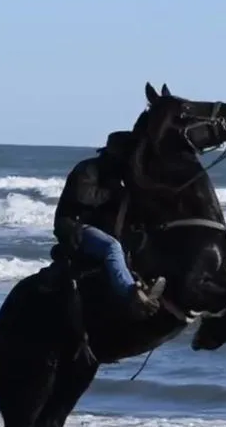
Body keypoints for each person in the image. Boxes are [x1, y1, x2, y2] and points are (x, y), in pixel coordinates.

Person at [53, 131, 165, 319]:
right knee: (111, 246)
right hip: (76, 227)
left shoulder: (118, 174)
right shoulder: (88, 169)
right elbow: (84, 197)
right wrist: (114, 192)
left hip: (102, 228)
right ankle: (131, 294)